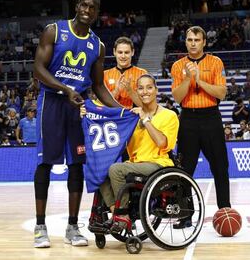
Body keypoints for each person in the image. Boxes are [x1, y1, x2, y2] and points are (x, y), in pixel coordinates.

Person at [32, 0, 120, 248]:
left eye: (93, 7)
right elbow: (38, 69)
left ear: (97, 13)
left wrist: (122, 109)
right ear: (77, 6)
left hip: (78, 106)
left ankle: (72, 226)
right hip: (52, 102)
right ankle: (40, 226)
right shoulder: (54, 31)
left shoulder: (98, 45)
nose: (88, 9)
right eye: (84, 4)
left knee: (76, 165)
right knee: (45, 163)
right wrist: (65, 89)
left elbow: (99, 86)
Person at [98, 74, 179, 230]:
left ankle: (123, 215)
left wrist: (145, 119)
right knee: (100, 170)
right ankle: (116, 212)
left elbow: (162, 143)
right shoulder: (132, 116)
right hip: (135, 163)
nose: (145, 91)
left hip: (157, 164)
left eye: (149, 87)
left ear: (156, 90)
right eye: (140, 88)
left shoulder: (169, 115)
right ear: (137, 92)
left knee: (116, 169)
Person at [171, 26, 231, 229]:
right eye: (189, 40)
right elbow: (178, 97)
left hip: (211, 117)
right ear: (185, 42)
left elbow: (221, 93)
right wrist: (188, 78)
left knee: (220, 167)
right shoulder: (178, 65)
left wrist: (199, 79)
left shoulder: (215, 62)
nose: (193, 43)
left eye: (197, 39)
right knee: (185, 170)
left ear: (204, 42)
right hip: (187, 119)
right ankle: (186, 215)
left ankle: (225, 212)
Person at [104, 36, 147, 109]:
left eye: (126, 52)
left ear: (132, 52)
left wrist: (130, 91)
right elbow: (101, 105)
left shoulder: (142, 74)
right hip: (111, 117)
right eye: (120, 52)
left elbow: (146, 106)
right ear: (114, 52)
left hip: (133, 117)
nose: (123, 56)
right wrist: (116, 90)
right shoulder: (105, 74)